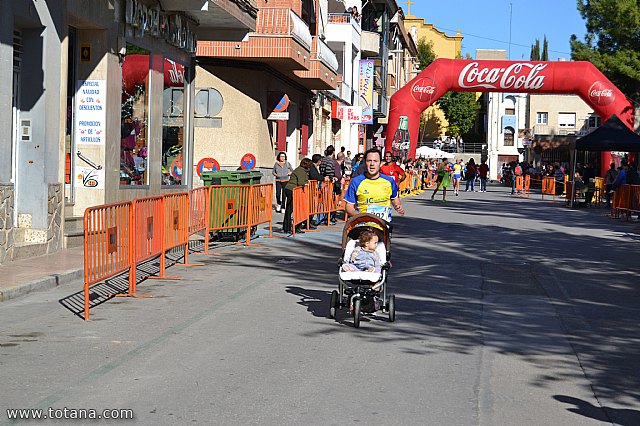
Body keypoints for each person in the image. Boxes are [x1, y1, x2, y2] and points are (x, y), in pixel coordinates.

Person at [344, 148, 405, 221]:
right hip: (363, 225)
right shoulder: (356, 182)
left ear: (380, 163)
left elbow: (395, 198)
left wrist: (397, 205)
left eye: (375, 161)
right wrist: (359, 216)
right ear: (365, 162)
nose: (372, 164)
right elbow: (349, 206)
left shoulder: (389, 181)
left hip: (383, 225)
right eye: (369, 161)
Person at [283, 158, 312, 234]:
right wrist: (306, 183)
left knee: (290, 209)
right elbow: (301, 182)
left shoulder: (300, 170)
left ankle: (289, 227)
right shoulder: (301, 171)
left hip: (291, 189)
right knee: (291, 209)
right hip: (292, 190)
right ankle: (288, 228)